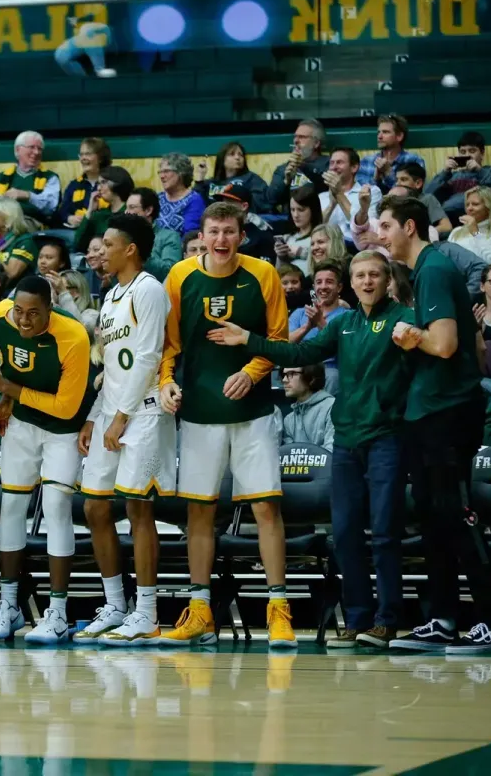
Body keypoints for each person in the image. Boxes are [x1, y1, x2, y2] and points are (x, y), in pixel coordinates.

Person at [208, 250, 415, 649]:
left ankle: (388, 619)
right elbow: (300, 354)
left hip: (387, 437)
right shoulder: (345, 324)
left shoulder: (402, 321)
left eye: (375, 275)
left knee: (386, 532)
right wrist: (249, 340)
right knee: (345, 532)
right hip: (347, 441)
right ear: (351, 284)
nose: (368, 282)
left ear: (387, 280)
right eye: (360, 276)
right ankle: (357, 620)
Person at [158, 201, 296, 649]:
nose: (221, 240)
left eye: (229, 232)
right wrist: (166, 383)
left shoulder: (264, 274)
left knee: (265, 509)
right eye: (213, 232)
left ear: (241, 235)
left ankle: (279, 611)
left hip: (253, 411)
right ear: (201, 235)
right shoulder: (179, 276)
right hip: (198, 411)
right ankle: (200, 613)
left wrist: (252, 372)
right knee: (199, 512)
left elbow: (278, 339)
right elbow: (169, 343)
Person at [377, 195, 491, 653]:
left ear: (410, 227)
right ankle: (443, 617)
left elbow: (447, 344)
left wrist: (410, 336)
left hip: (446, 413)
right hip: (428, 412)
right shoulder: (424, 273)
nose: (381, 234)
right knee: (434, 520)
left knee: (454, 514)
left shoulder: (432, 269)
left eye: (387, 225)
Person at [0, 276, 94, 643]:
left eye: (33, 314)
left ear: (50, 310)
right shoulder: (0, 317)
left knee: (55, 506)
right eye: (19, 311)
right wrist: (7, 399)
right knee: (11, 508)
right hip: (21, 426)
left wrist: (4, 389)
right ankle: (9, 606)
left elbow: (65, 406)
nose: (23, 320)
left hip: (63, 430)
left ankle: (57, 612)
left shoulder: (73, 337)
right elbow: (9, 364)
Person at [72, 214, 176, 646]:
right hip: (113, 410)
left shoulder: (149, 289)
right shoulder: (112, 294)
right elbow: (113, 370)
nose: (101, 252)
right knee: (95, 508)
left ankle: (147, 612)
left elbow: (150, 356)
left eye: (108, 244)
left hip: (145, 413)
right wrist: (96, 414)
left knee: (138, 509)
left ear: (130, 249)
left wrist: (121, 417)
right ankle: (115, 604)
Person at [288, 260, 348, 392]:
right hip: (300, 371)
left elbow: (347, 348)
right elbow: (285, 345)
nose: (323, 286)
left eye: (329, 282)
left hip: (331, 371)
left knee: (332, 376)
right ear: (314, 287)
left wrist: (320, 322)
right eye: (319, 282)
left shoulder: (349, 316)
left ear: (339, 287)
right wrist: (307, 327)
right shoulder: (299, 313)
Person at [195, 141, 272, 215]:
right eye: (232, 154)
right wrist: (199, 178)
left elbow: (260, 206)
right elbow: (196, 205)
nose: (237, 157)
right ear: (222, 159)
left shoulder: (252, 178)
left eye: (241, 155)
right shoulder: (210, 183)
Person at [276, 363, 335, 449]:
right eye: (284, 375)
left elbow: (333, 454)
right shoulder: (289, 420)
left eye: (291, 374)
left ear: (311, 378)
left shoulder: (332, 408)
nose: (284, 380)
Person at [74, 166, 132, 253]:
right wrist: (90, 210)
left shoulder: (130, 213)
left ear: (118, 183)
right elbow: (78, 244)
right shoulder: (99, 215)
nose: (98, 188)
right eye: (98, 183)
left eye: (103, 182)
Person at [449, 187, 491, 265]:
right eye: (467, 205)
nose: (469, 208)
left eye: (475, 204)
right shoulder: (456, 231)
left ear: (489, 208)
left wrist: (476, 233)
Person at [56, 137, 111, 227]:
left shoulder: (112, 182)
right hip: (74, 231)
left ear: (100, 158)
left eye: (88, 154)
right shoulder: (74, 185)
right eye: (81, 155)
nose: (83, 158)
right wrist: (69, 218)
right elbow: (62, 211)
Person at [276, 185, 322, 275]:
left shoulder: (323, 236)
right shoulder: (287, 238)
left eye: (301, 210)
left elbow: (326, 264)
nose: (295, 215)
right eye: (292, 210)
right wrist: (281, 257)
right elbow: (280, 275)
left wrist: (301, 252)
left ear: (313, 209)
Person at [157, 153, 205, 236]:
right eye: (160, 172)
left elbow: (190, 235)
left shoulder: (194, 200)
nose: (161, 176)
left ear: (181, 173)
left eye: (166, 171)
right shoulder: (157, 198)